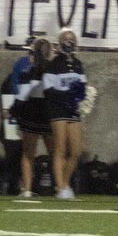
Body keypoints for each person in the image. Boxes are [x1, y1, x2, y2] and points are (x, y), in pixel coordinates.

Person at [43, 28, 86, 200]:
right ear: (59, 44)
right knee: (60, 149)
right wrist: (66, 95)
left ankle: (65, 183)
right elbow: (48, 90)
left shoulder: (78, 64)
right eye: (66, 39)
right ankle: (60, 187)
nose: (69, 42)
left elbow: (82, 87)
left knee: (76, 151)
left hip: (73, 110)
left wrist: (79, 96)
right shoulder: (53, 65)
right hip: (58, 109)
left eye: (72, 39)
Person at [12, 36, 53, 198]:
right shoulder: (53, 70)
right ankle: (61, 187)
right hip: (48, 113)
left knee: (28, 154)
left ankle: (27, 189)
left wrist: (14, 112)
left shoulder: (27, 72)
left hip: (31, 113)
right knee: (55, 153)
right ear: (50, 52)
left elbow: (22, 97)